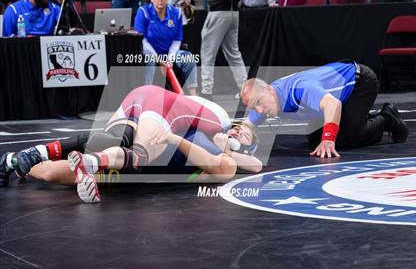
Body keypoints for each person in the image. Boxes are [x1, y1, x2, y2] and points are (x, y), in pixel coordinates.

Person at [0, 86, 261, 198]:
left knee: (50, 174)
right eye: (240, 130)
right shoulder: (217, 123)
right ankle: (90, 161)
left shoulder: (225, 159)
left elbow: (252, 165)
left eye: (244, 138)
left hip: (130, 164)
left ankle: (14, 160)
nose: (239, 134)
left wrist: (174, 139)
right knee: (136, 152)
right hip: (151, 117)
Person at [240, 61, 409, 158]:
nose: (259, 111)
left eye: (258, 103)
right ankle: (358, 120)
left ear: (269, 89)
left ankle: (386, 117)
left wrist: (329, 138)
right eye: (254, 106)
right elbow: (247, 126)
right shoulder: (265, 99)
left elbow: (332, 104)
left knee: (341, 140)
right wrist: (237, 137)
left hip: (359, 83)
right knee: (315, 138)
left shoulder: (298, 89)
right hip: (333, 93)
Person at [179, 0, 248, 100]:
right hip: (234, 13)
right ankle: (246, 90)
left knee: (207, 54)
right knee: (234, 54)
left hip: (217, 14)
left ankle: (207, 92)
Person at [134, 0, 198, 95]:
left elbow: (177, 40)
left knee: (188, 57)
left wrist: (169, 59)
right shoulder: (143, 12)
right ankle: (146, 96)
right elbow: (143, 41)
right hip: (149, 53)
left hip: (168, 54)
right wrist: (159, 60)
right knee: (149, 58)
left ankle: (193, 97)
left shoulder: (176, 13)